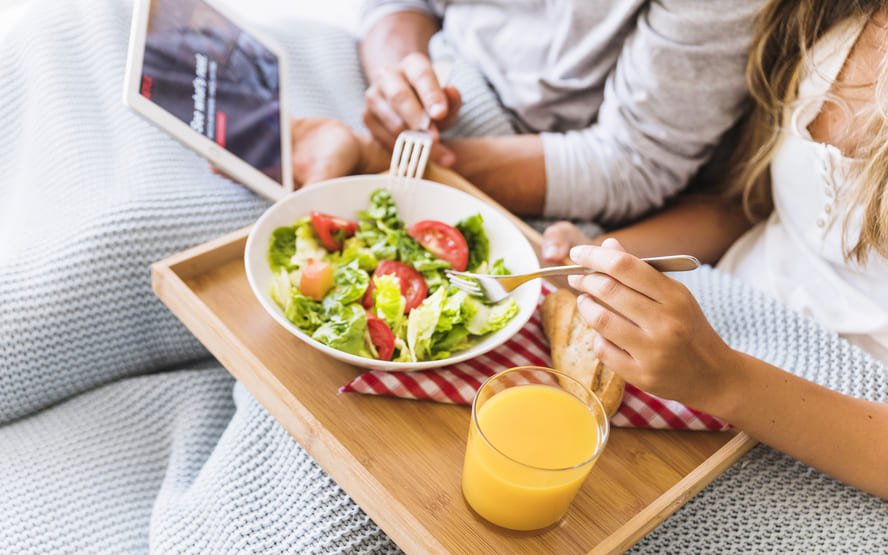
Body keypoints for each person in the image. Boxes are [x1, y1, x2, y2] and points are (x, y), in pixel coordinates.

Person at [542, 0, 888, 498]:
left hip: (831, 437)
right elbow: (749, 205)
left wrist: (719, 379)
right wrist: (600, 259)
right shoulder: (830, 12)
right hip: (716, 325)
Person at [301, 0, 759, 222]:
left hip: (524, 171)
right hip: (383, 78)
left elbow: (635, 162)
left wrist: (388, 165)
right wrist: (398, 78)